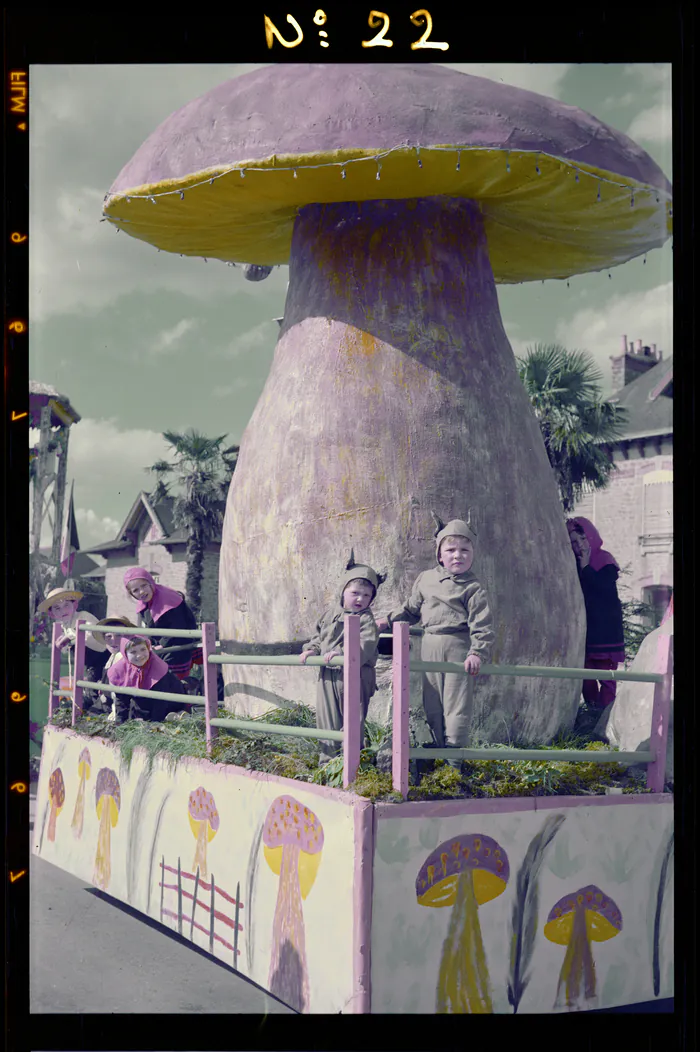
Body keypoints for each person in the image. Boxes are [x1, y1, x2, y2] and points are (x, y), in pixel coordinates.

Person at [376, 514, 494, 764]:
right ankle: (439, 756)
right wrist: (386, 620)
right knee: (433, 707)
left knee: (456, 709)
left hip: (457, 648)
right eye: (451, 550)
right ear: (440, 554)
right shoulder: (426, 579)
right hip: (429, 645)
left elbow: (481, 624)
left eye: (464, 550)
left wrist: (477, 653)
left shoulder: (473, 588)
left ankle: (454, 765)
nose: (457, 555)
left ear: (472, 554)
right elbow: (410, 610)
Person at [300, 554, 385, 763]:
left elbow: (365, 644)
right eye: (355, 593)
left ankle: (351, 764)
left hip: (355, 676)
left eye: (366, 596)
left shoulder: (366, 620)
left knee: (351, 721)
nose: (360, 599)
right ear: (343, 591)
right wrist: (311, 649)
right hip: (328, 674)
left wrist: (343, 653)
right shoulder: (330, 615)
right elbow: (319, 636)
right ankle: (327, 763)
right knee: (326, 720)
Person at [567, 517, 625, 710]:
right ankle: (592, 713)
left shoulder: (606, 561)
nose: (579, 546)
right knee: (586, 677)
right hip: (588, 633)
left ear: (591, 536)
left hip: (606, 632)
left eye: (582, 539)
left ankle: (604, 718)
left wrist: (586, 567)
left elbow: (601, 587)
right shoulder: (572, 565)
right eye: (574, 542)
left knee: (607, 679)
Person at [37, 583, 109, 709]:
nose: (63, 610)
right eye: (57, 608)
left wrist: (69, 636)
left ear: (75, 605)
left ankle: (98, 712)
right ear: (52, 614)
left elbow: (91, 636)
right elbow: (67, 648)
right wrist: (65, 642)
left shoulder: (84, 616)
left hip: (104, 658)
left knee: (102, 690)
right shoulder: (64, 625)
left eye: (66, 605)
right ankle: (86, 710)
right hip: (90, 664)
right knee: (91, 689)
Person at [123, 568, 198, 680]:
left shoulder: (168, 598)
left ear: (151, 583)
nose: (141, 592)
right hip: (162, 645)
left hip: (179, 642)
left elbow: (178, 626)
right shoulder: (144, 605)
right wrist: (149, 643)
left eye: (144, 586)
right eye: (135, 590)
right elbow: (150, 628)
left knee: (166, 677)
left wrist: (162, 644)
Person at [107, 635, 190, 724]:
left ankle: (176, 715)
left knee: (171, 716)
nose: (139, 655)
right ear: (125, 654)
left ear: (148, 649)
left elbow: (161, 701)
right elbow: (121, 700)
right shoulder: (121, 670)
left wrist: (155, 724)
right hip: (143, 705)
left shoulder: (158, 668)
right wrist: (120, 723)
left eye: (143, 649)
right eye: (133, 652)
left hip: (168, 704)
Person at [93, 616, 137, 720]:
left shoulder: (127, 657)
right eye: (108, 636)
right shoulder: (112, 657)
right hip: (107, 703)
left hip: (122, 707)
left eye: (118, 635)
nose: (113, 640)